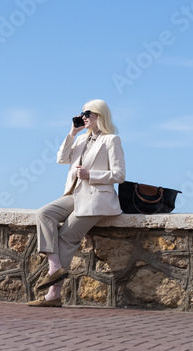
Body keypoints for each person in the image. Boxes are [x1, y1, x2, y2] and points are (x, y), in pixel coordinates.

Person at [28, 99, 125, 307]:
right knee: (44, 213)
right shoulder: (80, 139)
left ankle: (53, 296)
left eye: (88, 113)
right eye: (82, 113)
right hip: (74, 195)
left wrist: (91, 174)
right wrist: (72, 133)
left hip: (96, 199)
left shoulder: (111, 140)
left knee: (65, 237)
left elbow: (119, 175)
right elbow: (62, 159)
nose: (84, 117)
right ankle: (55, 269)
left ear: (100, 115)